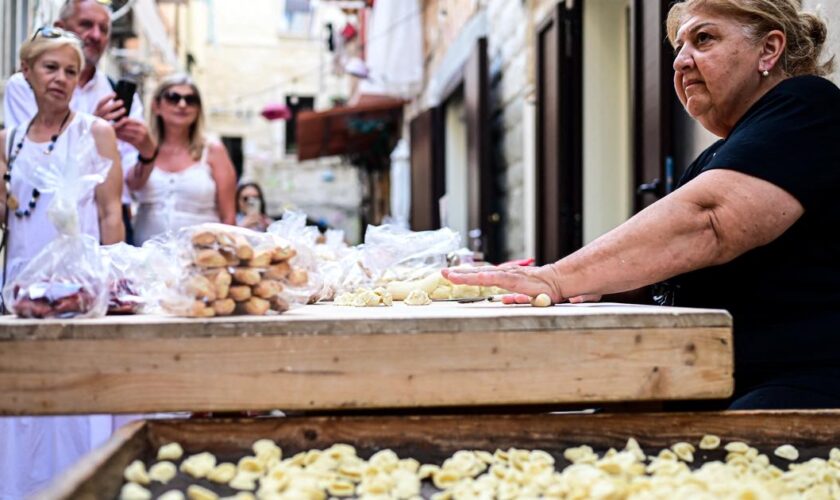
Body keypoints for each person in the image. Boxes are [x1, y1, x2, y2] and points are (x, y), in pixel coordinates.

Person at [444, 0, 840, 410]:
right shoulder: (724, 152)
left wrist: (559, 278)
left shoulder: (807, 105)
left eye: (703, 39)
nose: (681, 62)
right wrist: (584, 285)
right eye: (678, 48)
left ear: (769, 49)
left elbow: (709, 221)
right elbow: (682, 268)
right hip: (716, 376)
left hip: (801, 387)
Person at [0, 28, 123, 498]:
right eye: (50, 68)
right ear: (26, 72)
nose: (61, 79)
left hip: (81, 284)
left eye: (71, 71)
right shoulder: (8, 141)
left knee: (77, 393)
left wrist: (112, 289)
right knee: (27, 399)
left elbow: (111, 212)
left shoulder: (95, 132)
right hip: (21, 290)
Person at [3, 0, 157, 245]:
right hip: (37, 220)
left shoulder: (118, 94)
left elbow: (130, 184)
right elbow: (36, 164)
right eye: (86, 24)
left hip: (103, 223)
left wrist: (148, 153)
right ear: (60, 26)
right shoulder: (23, 88)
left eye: (104, 29)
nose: (95, 35)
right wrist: (87, 132)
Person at [129, 74, 237, 245]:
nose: (182, 105)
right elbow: (129, 188)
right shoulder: (139, 147)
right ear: (156, 105)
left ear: (198, 109)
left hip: (201, 259)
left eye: (191, 100)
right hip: (146, 258)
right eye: (173, 98)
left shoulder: (213, 151)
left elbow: (229, 216)